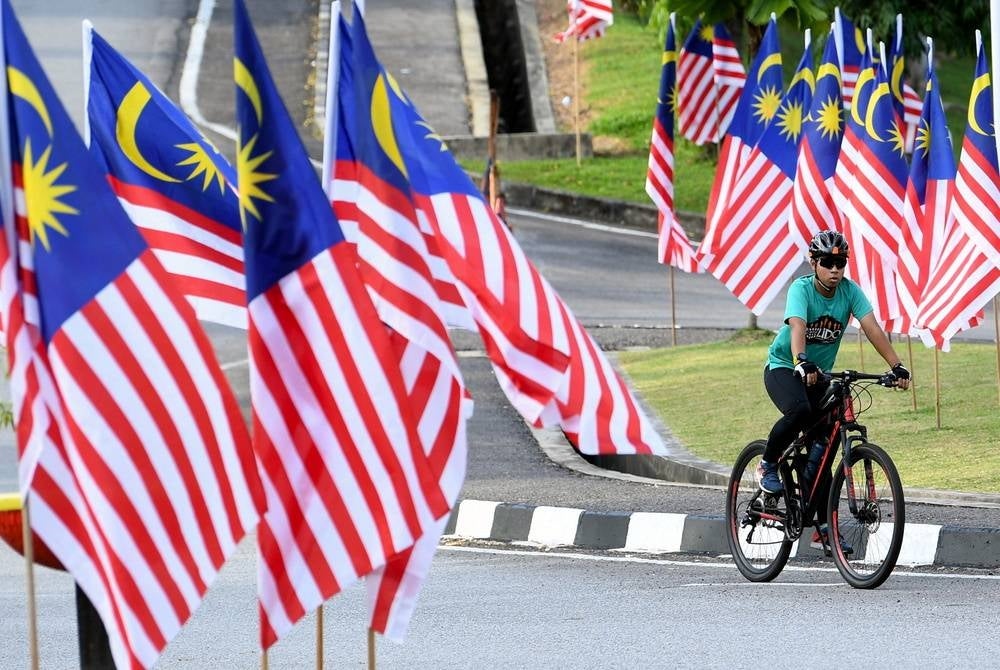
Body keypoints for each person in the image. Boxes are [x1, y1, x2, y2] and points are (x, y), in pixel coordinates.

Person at [758, 230, 911, 553]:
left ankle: (823, 527)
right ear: (813, 263)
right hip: (785, 367)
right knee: (799, 411)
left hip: (820, 375)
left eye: (840, 263)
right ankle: (768, 463)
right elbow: (798, 325)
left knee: (824, 447)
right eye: (827, 263)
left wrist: (897, 366)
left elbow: (871, 327)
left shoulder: (850, 292)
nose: (835, 270)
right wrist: (802, 360)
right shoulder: (802, 289)